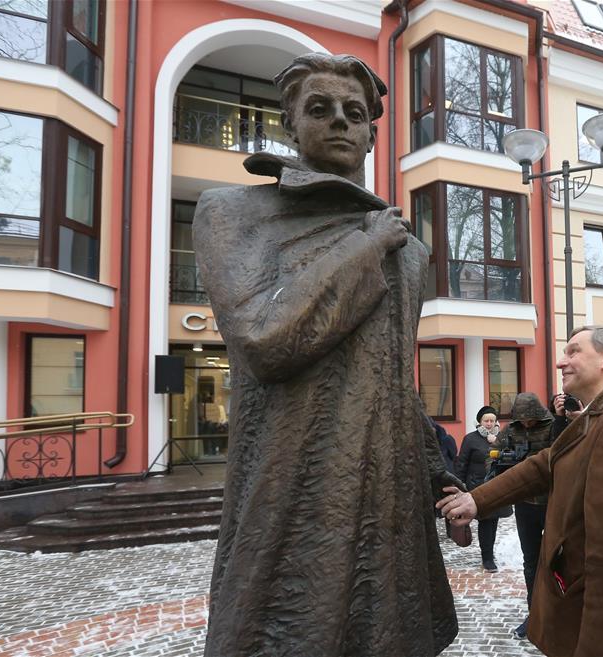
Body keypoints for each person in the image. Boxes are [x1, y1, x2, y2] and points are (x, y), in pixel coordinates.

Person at [194, 53, 459, 657]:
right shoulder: (231, 212)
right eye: (320, 108)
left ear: (371, 132)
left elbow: (395, 379)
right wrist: (363, 250)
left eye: (354, 113)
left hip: (386, 494)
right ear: (290, 124)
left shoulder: (408, 251)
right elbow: (265, 339)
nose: (339, 121)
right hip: (293, 485)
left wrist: (436, 473)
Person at [438, 325, 603, 657]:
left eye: (574, 351)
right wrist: (477, 499)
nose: (561, 362)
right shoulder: (602, 414)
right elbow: (547, 463)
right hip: (580, 607)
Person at [499, 392, 554, 639]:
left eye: (530, 420)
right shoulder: (512, 430)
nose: (527, 424)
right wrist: (504, 458)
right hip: (525, 505)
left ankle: (557, 613)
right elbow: (496, 452)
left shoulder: (554, 425)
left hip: (551, 502)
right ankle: (534, 614)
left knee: (555, 559)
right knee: (530, 561)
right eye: (523, 420)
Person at [455, 405, 508, 572]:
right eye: (486, 420)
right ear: (480, 422)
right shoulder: (471, 439)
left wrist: (498, 443)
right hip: (477, 485)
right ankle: (487, 558)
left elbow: (509, 457)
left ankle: (489, 553)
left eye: (492, 420)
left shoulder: (502, 437)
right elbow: (462, 462)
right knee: (486, 520)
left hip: (497, 486)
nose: (489, 424)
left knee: (493, 521)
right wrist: (459, 485)